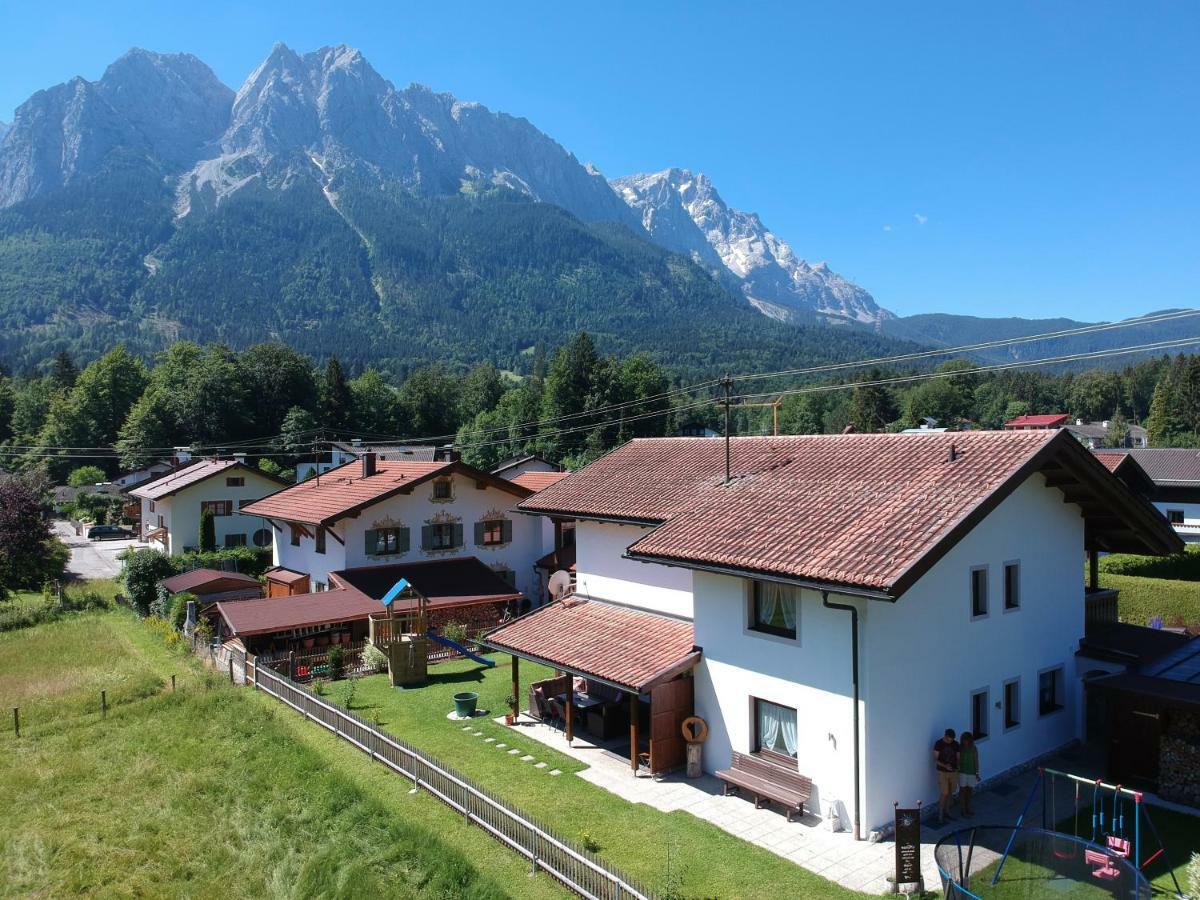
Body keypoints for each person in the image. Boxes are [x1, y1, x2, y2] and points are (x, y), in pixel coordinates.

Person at [933, 728, 959, 824]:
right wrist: (945, 766)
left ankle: (947, 811)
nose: (950, 741)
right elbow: (935, 759)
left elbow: (958, 757)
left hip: (953, 772)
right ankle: (940, 814)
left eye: (952, 739)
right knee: (944, 792)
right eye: (949, 739)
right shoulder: (938, 744)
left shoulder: (956, 744)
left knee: (950, 792)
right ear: (945, 736)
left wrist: (957, 766)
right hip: (943, 772)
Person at [958, 732, 980, 817]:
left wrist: (977, 773)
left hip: (971, 772)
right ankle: (963, 810)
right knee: (962, 791)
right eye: (964, 740)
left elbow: (976, 761)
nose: (965, 742)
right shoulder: (960, 748)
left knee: (969, 791)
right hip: (962, 772)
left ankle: (968, 808)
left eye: (967, 740)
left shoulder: (974, 749)